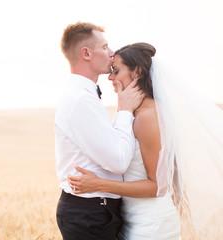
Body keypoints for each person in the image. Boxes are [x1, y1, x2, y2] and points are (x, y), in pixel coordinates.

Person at [68, 42, 223, 239]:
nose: (110, 77)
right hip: (135, 219)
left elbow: (157, 185)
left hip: (151, 224)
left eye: (116, 71)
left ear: (138, 72)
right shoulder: (136, 112)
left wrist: (98, 184)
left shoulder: (148, 116)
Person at [55, 22, 145, 240]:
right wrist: (124, 110)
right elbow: (118, 161)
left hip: (94, 211)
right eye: (105, 47)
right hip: (90, 213)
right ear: (86, 53)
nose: (112, 53)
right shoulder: (80, 99)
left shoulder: (83, 95)